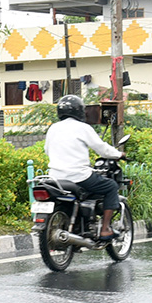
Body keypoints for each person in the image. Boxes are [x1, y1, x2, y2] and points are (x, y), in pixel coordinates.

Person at [44, 94, 124, 240]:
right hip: (78, 176)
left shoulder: (53, 128)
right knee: (111, 186)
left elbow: (47, 150)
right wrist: (119, 154)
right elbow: (101, 149)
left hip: (55, 177)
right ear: (79, 111)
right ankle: (105, 229)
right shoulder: (82, 127)